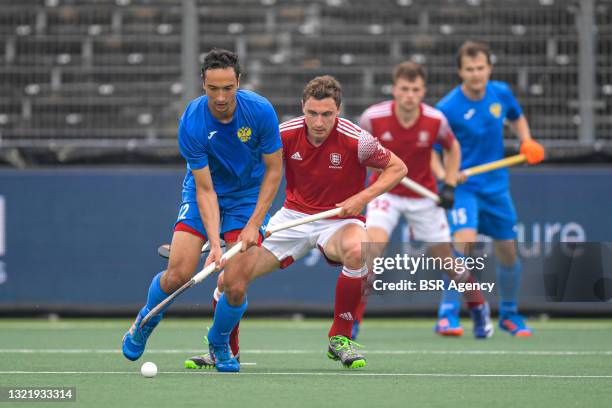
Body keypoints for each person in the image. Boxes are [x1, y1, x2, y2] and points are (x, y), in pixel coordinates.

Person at [184, 75, 407, 371]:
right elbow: (253, 172)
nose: (318, 122)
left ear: (338, 111)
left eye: (327, 114)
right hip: (292, 219)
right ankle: (225, 350)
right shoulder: (284, 134)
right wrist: (249, 224)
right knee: (229, 279)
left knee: (359, 251)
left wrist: (361, 198)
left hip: (340, 219)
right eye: (312, 113)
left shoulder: (357, 140)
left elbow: (397, 167)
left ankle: (340, 338)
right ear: (302, 107)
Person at [121, 48, 283, 373]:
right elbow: (205, 190)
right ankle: (147, 318)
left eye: (227, 87)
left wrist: (255, 222)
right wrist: (215, 243)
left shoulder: (261, 112)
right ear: (203, 85)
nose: (221, 97)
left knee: (236, 284)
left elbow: (274, 172)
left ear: (238, 82)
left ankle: (219, 342)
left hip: (247, 196)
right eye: (213, 89)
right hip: (203, 193)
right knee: (179, 273)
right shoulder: (192, 121)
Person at [353, 61, 492, 340]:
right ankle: (352, 323)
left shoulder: (435, 119)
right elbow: (356, 151)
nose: (409, 95)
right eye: (404, 89)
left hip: (423, 196)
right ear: (394, 89)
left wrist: (450, 184)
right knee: (369, 252)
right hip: (386, 193)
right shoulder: (372, 118)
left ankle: (478, 307)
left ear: (423, 91)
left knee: (447, 261)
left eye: (415, 89)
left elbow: (453, 149)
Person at [433, 41, 545, 337]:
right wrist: (446, 175)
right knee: (463, 243)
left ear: (489, 68)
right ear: (460, 72)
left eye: (480, 68)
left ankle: (509, 315)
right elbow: (432, 150)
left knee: (508, 252)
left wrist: (526, 140)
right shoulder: (447, 108)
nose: (476, 74)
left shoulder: (501, 93)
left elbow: (516, 116)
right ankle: (447, 315)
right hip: (464, 188)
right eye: (469, 69)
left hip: (496, 187)